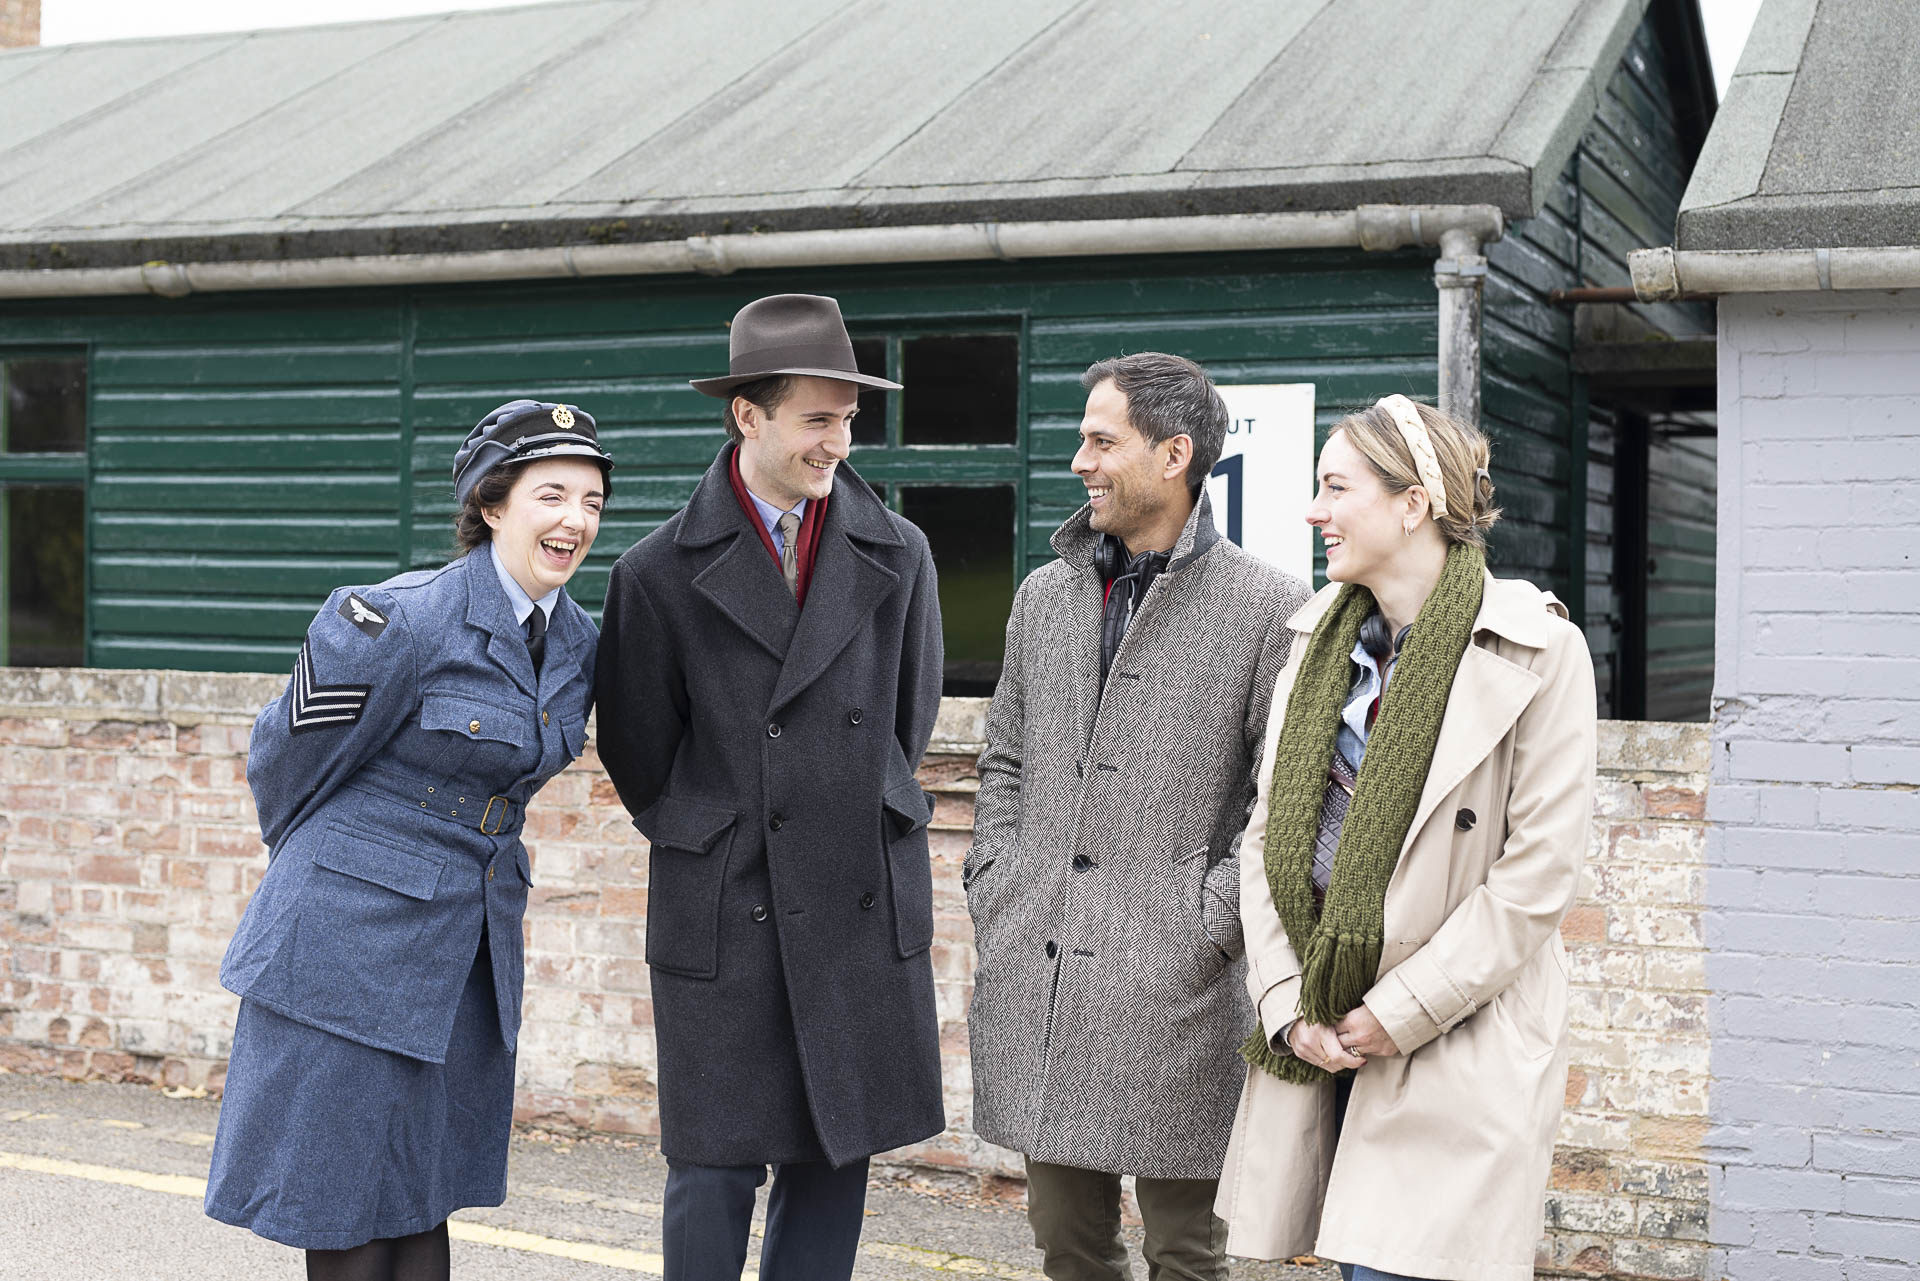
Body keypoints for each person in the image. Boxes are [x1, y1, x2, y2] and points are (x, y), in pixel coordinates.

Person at [204, 401, 613, 1281]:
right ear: (494, 504)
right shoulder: (395, 619)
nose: (575, 519)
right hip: (347, 950)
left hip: (465, 951)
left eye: (591, 500)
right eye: (552, 494)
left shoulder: (577, 642)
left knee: (422, 1198)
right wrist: (337, 880)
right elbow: (283, 765)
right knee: (347, 1207)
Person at [594, 293, 944, 1281]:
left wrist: (837, 809)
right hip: (725, 904)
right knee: (710, 1174)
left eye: (848, 418)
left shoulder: (900, 553)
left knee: (836, 1164)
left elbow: (900, 728)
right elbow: (638, 751)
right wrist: (721, 828)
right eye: (816, 419)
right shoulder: (656, 572)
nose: (840, 442)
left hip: (852, 897)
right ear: (747, 416)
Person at [1214, 395, 1597, 1281]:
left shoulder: (1537, 650)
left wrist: (1395, 1013)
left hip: (1455, 1036)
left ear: (1413, 503)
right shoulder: (1315, 643)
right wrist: (1284, 1001)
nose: (1315, 510)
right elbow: (1265, 839)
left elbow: (1536, 880)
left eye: (1335, 486)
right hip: (1320, 1023)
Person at [965, 352, 1310, 1281]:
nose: (1081, 460)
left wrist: (1207, 923)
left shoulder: (1268, 605)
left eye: (1101, 440)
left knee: (1187, 1253)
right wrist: (1001, 881)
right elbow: (1003, 759)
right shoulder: (1046, 595)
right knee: (1067, 1246)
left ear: (1174, 454)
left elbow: (1286, 801)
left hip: (1179, 989)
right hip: (1043, 964)